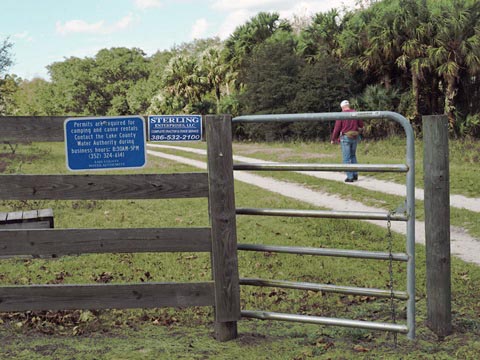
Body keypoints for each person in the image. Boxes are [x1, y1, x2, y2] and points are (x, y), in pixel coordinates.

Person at [330, 100, 364, 183]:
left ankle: (350, 177)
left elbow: (337, 128)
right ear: (349, 105)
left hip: (345, 137)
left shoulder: (341, 115)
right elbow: (361, 125)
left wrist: (333, 138)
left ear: (342, 107)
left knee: (346, 157)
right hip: (355, 137)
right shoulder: (355, 113)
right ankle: (355, 174)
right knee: (353, 156)